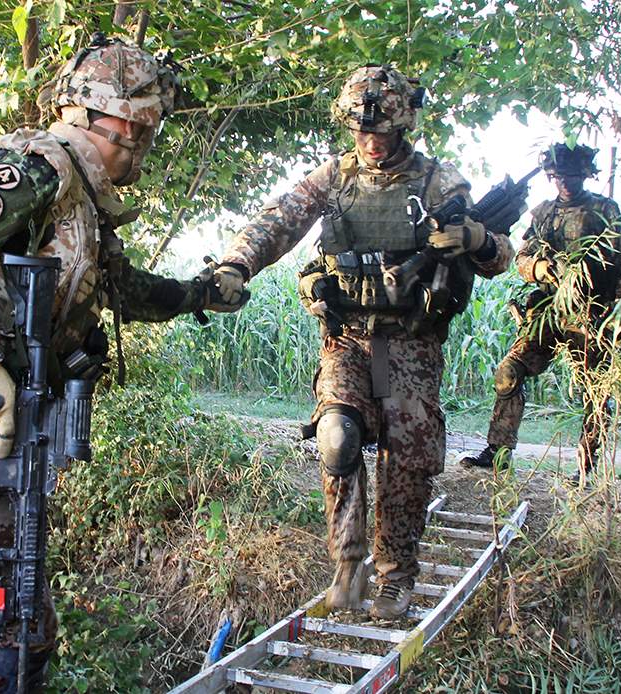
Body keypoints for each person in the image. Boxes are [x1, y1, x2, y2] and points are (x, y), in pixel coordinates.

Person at [0, 35, 241, 692]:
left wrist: (202, 293)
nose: (148, 143)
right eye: (149, 125)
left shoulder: (83, 205)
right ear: (129, 122)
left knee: (22, 634)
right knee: (1, 645)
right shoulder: (42, 171)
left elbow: (126, 290)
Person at [206, 66, 513, 619]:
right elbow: (277, 222)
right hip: (347, 336)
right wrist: (235, 264)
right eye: (360, 131)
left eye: (382, 132)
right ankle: (348, 565)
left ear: (404, 127)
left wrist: (476, 239)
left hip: (411, 342)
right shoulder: (334, 177)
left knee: (407, 458)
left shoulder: (438, 183)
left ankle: (395, 576)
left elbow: (498, 257)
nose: (370, 142)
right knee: (336, 437)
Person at [459, 143, 621, 482]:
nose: (566, 183)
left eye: (572, 176)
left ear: (584, 175)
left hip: (592, 315)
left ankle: (587, 468)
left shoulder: (604, 209)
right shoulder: (542, 213)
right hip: (550, 312)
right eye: (559, 177)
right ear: (552, 177)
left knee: (596, 393)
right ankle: (498, 452)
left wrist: (611, 312)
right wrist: (542, 269)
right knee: (509, 371)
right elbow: (522, 258)